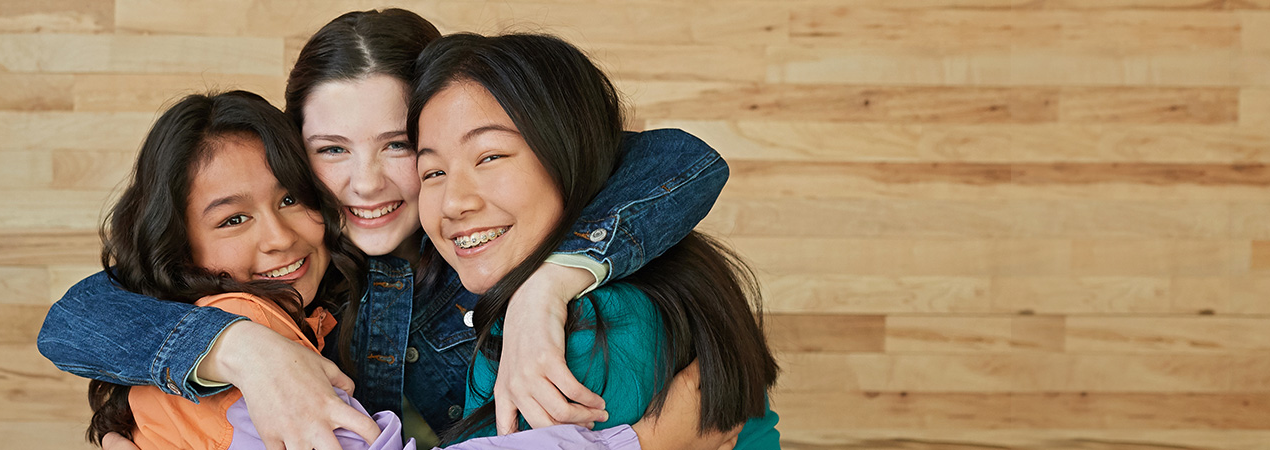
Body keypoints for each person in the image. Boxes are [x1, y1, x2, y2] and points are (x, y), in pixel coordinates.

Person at [39, 9, 735, 450]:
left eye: (399, 145)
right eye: (332, 149)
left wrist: (550, 284)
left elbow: (680, 160)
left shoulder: (507, 247)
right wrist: (247, 351)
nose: (366, 184)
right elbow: (78, 316)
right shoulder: (297, 274)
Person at [93, 90, 644, 450]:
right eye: (233, 219)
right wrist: (642, 441)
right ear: (179, 246)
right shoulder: (244, 325)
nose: (280, 238)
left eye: (291, 200)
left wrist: (544, 287)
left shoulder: (306, 312)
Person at [407, 32, 781, 449]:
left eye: (490, 156)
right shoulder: (649, 276)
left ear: (568, 158)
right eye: (433, 173)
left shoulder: (589, 331)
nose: (454, 203)